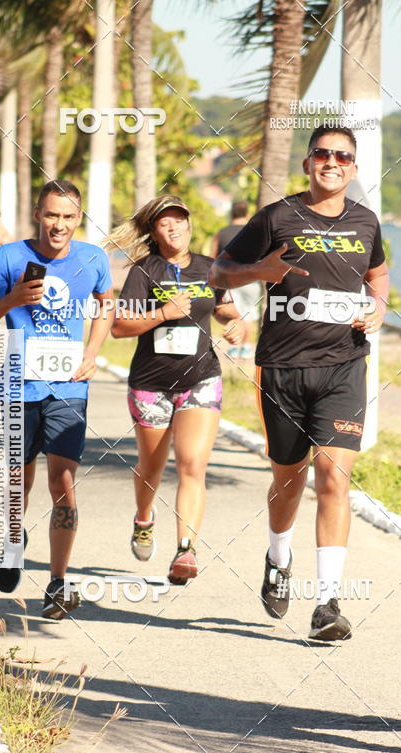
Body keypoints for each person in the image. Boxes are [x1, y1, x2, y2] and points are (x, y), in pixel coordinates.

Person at [209, 125, 389, 641]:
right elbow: (221, 271)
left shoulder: (366, 221)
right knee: (289, 482)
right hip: (283, 368)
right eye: (323, 154)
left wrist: (376, 308)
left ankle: (328, 603)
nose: (332, 162)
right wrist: (258, 271)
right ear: (309, 162)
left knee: (333, 476)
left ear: (353, 168)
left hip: (345, 366)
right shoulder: (278, 216)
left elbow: (377, 275)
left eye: (343, 156)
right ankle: (277, 556)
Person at [0, 179, 114, 619]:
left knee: (62, 484)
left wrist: (92, 353)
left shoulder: (93, 258)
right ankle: (11, 544)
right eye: (52, 215)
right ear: (38, 213)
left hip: (68, 388)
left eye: (68, 217)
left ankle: (57, 582)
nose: (59, 225)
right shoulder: (10, 257)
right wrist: (11, 298)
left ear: (78, 218)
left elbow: (106, 304)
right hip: (18, 385)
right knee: (16, 483)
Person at [107, 195, 245, 584]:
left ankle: (185, 550)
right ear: (154, 231)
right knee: (151, 469)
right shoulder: (143, 271)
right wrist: (164, 313)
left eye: (180, 221)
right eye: (165, 223)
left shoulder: (210, 268)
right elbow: (120, 327)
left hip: (200, 377)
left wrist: (236, 324)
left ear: (189, 224)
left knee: (192, 465)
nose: (174, 228)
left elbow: (225, 308)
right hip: (151, 383)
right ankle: (144, 516)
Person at [212, 201, 263, 360]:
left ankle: (234, 347)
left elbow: (212, 258)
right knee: (249, 313)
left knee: (236, 313)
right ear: (247, 214)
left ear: (231, 214)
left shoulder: (221, 233)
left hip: (228, 280)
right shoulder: (253, 232)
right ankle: (246, 347)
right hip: (251, 280)